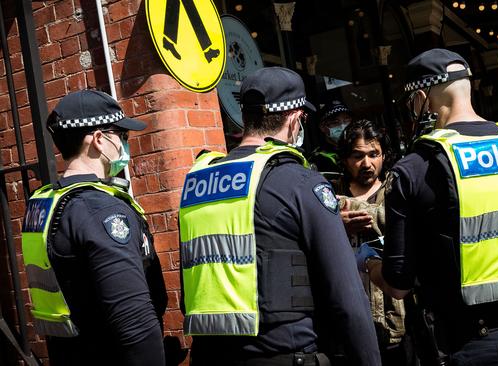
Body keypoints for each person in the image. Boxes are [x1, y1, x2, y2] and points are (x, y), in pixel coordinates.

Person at [356, 48, 498, 365]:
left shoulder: (415, 167)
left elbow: (398, 285)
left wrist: (368, 262)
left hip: (472, 345)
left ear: (422, 98)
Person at [178, 67, 381, 366]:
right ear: (295, 118)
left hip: (210, 356)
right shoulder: (299, 182)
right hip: (284, 354)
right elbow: (347, 297)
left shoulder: (197, 182)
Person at [21, 90, 167, 366]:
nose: (125, 142)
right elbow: (134, 320)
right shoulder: (101, 211)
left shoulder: (46, 205)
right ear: (99, 139)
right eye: (121, 135)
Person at [336, 120, 413, 366]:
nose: (367, 164)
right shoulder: (327, 193)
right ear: (346, 159)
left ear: (383, 155)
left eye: (374, 154)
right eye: (358, 156)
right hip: (352, 320)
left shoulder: (398, 189)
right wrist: (336, 223)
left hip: (399, 317)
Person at [308, 100, 353, 180]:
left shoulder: (357, 146)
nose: (343, 126)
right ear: (323, 127)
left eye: (346, 120)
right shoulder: (318, 159)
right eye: (335, 122)